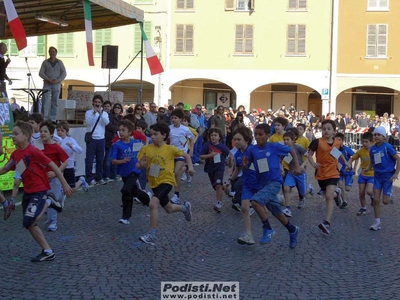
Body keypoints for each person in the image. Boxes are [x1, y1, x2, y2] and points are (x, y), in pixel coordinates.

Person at [0, 121, 73, 262]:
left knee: (29, 220)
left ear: (26, 136)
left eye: (16, 134)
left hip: (39, 190)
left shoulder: (34, 151)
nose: (12, 136)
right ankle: (48, 251)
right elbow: (8, 169)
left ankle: (48, 201)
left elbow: (53, 166)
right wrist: (16, 190)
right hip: (28, 191)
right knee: (29, 224)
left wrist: (64, 184)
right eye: (12, 134)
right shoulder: (17, 154)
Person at [242, 123, 301, 248]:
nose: (257, 137)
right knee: (277, 213)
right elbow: (247, 167)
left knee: (255, 202)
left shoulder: (274, 147)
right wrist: (245, 165)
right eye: (255, 134)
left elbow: (292, 151)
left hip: (274, 182)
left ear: (268, 135)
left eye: (260, 134)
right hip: (262, 185)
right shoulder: (252, 150)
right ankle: (292, 230)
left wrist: (297, 167)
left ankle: (268, 229)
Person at [136, 122, 194, 246]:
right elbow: (138, 164)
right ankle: (185, 208)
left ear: (164, 135)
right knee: (169, 208)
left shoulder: (170, 149)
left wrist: (190, 167)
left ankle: (151, 235)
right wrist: (140, 164)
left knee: (153, 204)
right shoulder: (146, 149)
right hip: (154, 182)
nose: (152, 137)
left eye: (155, 134)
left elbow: (186, 155)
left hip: (167, 181)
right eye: (151, 134)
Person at [308, 120, 351, 234]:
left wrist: (346, 162)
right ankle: (337, 195)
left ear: (334, 131)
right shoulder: (317, 142)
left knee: (328, 196)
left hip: (333, 172)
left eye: (328, 129)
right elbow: (309, 154)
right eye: (324, 129)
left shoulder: (337, 142)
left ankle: (327, 222)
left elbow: (337, 153)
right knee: (328, 194)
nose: (326, 131)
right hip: (321, 173)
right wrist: (313, 164)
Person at [111, 120, 152, 225]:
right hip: (123, 172)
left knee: (125, 190)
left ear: (130, 132)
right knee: (133, 191)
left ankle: (126, 216)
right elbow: (113, 161)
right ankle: (146, 199)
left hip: (134, 170)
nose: (121, 132)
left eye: (123, 130)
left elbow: (143, 152)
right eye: (119, 130)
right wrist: (122, 161)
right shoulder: (117, 145)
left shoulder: (135, 143)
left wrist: (144, 162)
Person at [363, 126, 400, 231]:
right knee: (376, 200)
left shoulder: (387, 147)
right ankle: (377, 221)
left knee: (386, 201)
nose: (376, 136)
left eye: (379, 135)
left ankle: (390, 195)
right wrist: (367, 168)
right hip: (377, 177)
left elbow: (398, 159)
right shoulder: (373, 149)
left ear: (384, 137)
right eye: (375, 134)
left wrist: (396, 173)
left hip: (388, 177)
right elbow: (372, 162)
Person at [229, 127, 257, 245]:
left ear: (246, 140)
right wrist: (230, 180)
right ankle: (248, 235)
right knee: (245, 208)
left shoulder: (254, 151)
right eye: (235, 139)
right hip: (247, 183)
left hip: (258, 182)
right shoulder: (237, 154)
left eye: (239, 139)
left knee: (273, 207)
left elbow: (263, 166)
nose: (236, 142)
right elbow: (238, 169)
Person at [40, 121, 69, 232]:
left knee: (51, 200)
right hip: (43, 178)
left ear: (51, 134)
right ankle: (61, 195)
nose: (42, 133)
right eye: (41, 131)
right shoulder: (38, 146)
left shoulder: (56, 147)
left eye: (45, 131)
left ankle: (52, 223)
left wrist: (56, 172)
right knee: (46, 199)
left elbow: (65, 162)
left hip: (55, 178)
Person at [282, 131, 315, 218]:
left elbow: (308, 156)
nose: (285, 141)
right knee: (286, 188)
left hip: (301, 173)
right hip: (291, 173)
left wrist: (302, 165)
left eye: (287, 139)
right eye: (284, 139)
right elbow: (281, 160)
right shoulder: (283, 149)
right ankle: (288, 208)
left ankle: (310, 189)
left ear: (293, 140)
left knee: (303, 193)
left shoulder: (298, 147)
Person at [200, 128, 231, 212]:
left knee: (217, 185)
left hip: (220, 168)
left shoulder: (222, 147)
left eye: (215, 135)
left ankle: (218, 203)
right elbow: (201, 156)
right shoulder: (207, 145)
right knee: (216, 186)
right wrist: (210, 155)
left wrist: (229, 163)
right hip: (210, 168)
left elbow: (229, 154)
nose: (213, 137)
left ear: (219, 137)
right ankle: (224, 188)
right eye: (212, 135)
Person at [169, 108, 195, 204]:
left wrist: (191, 150)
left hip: (182, 153)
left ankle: (176, 194)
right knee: (175, 173)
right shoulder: (169, 128)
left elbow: (192, 139)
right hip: (171, 154)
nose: (174, 120)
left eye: (175, 118)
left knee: (176, 172)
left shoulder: (185, 129)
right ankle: (187, 168)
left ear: (180, 119)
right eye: (172, 118)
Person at [56, 121, 89, 192]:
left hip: (69, 166)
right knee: (60, 188)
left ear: (67, 132)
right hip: (59, 167)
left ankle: (81, 181)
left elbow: (80, 150)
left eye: (62, 130)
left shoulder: (70, 140)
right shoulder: (55, 140)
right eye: (58, 130)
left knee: (71, 189)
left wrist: (72, 146)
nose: (60, 132)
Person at [347, 132, 374, 216]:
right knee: (361, 192)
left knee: (369, 191)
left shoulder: (374, 150)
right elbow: (353, 158)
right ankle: (363, 208)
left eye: (366, 142)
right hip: (362, 175)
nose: (364, 144)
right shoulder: (360, 151)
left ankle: (373, 197)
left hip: (372, 175)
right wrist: (348, 164)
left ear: (371, 142)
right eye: (363, 142)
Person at [85, 95, 110, 186]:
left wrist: (100, 113)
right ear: (93, 102)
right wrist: (94, 113)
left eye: (99, 102)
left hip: (101, 139)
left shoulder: (105, 113)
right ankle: (89, 178)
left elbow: (106, 123)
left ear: (101, 103)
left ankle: (99, 177)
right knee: (89, 160)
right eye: (96, 102)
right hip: (92, 139)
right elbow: (88, 122)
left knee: (100, 160)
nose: (97, 104)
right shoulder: (88, 112)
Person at [39, 47, 67, 123]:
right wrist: (48, 79)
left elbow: (64, 73)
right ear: (49, 53)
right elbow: (41, 73)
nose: (52, 53)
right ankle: (44, 118)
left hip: (56, 84)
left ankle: (53, 119)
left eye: (53, 51)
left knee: (55, 102)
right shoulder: (45, 62)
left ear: (56, 53)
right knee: (45, 101)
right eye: (51, 51)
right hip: (47, 84)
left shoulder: (60, 62)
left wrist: (57, 80)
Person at [335, 132, 355, 209]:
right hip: (339, 171)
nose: (338, 141)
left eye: (339, 140)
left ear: (342, 141)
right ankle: (344, 201)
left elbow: (355, 157)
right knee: (340, 187)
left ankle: (350, 180)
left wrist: (354, 167)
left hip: (348, 171)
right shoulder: (335, 150)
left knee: (347, 189)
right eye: (336, 140)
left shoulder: (347, 149)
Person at [104, 103, 123, 182]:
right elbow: (109, 126)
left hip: (118, 140)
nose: (116, 109)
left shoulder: (121, 118)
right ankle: (106, 175)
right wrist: (118, 129)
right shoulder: (109, 116)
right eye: (115, 107)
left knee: (115, 158)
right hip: (110, 139)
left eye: (118, 108)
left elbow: (123, 127)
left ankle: (114, 175)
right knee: (108, 159)